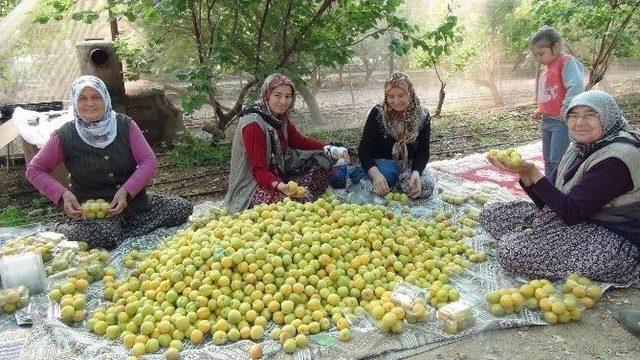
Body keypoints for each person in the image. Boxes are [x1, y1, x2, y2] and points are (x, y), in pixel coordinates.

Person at [481, 90, 640, 283]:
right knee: (491, 213)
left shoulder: (618, 158)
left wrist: (533, 172)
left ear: (608, 117)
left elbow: (571, 213)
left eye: (591, 114)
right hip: (576, 218)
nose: (580, 122)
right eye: (573, 115)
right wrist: (524, 173)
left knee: (512, 253)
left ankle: (532, 239)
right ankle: (536, 238)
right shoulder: (579, 146)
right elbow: (549, 201)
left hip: (614, 235)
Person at [26, 75, 192, 250]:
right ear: (75, 101)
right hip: (96, 214)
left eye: (96, 97)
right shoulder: (65, 135)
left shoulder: (125, 125)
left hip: (134, 205)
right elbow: (35, 170)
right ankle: (67, 228)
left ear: (105, 98)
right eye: (83, 98)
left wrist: (126, 191)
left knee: (182, 208)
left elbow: (148, 161)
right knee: (104, 235)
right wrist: (63, 195)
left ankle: (119, 231)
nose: (90, 103)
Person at [224, 73, 348, 213]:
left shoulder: (279, 118)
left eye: (288, 96)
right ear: (267, 95)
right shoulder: (253, 124)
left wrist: (329, 148)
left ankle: (300, 198)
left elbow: (298, 141)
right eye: (277, 95)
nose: (283, 101)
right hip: (251, 186)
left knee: (322, 171)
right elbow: (259, 170)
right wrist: (281, 186)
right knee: (298, 202)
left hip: (276, 177)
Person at [353, 72, 434, 199]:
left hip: (408, 165)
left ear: (410, 93)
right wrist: (376, 176)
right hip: (383, 165)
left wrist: (416, 172)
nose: (396, 101)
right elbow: (364, 150)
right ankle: (364, 175)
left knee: (425, 187)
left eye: (401, 95)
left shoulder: (422, 115)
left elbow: (423, 151)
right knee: (387, 178)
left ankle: (398, 184)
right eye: (391, 96)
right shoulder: (378, 113)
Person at [530, 25, 585, 176]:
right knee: (547, 158)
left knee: (558, 159)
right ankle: (549, 187)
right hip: (547, 120)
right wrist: (540, 110)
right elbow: (548, 93)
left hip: (561, 120)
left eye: (541, 54)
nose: (538, 59)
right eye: (535, 55)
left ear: (556, 47)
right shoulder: (547, 68)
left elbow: (576, 86)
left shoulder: (566, 62)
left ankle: (560, 189)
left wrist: (566, 107)